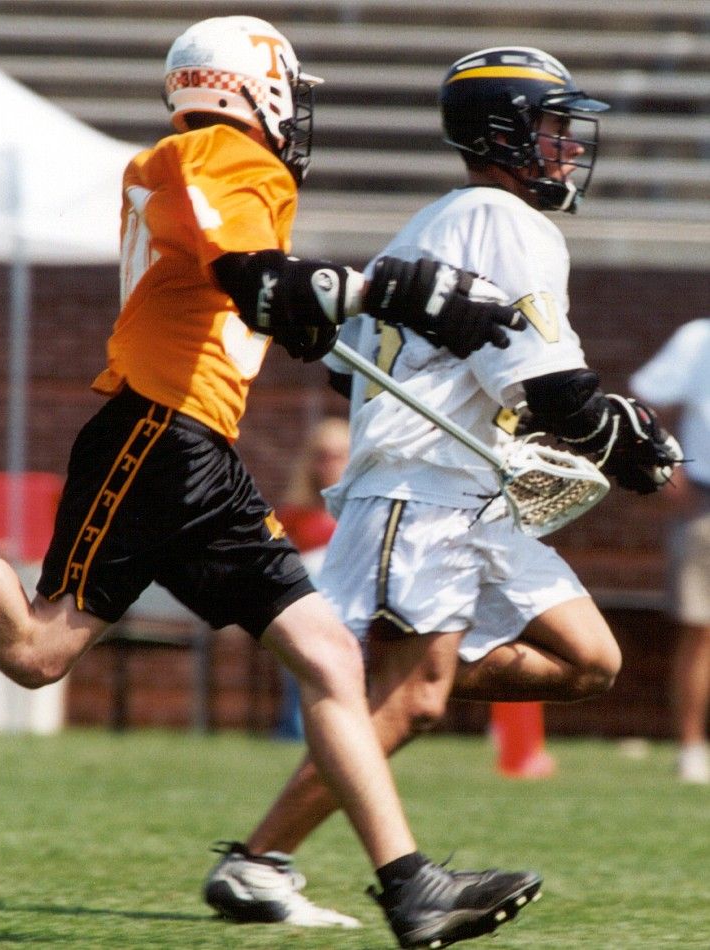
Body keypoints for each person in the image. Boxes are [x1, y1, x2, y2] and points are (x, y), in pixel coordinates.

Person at [0, 17, 538, 950]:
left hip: (194, 443)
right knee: (37, 646)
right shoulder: (223, 155)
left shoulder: (194, 161)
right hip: (159, 430)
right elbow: (261, 282)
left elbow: (258, 300)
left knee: (325, 655)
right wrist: (401, 291)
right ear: (254, 88)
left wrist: (337, 310)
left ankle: (410, 887)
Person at [202, 44, 684, 931]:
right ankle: (258, 861)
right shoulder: (501, 219)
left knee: (589, 660)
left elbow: (356, 372)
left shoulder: (437, 222)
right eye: (552, 126)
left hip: (465, 494)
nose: (568, 146)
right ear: (500, 131)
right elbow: (548, 386)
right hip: (418, 490)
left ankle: (363, 693)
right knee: (414, 699)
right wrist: (620, 440)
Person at [630, 318, 710, 784]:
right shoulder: (699, 338)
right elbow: (644, 401)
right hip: (705, 504)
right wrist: (668, 466)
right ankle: (691, 748)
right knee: (701, 631)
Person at [274, 416, 350, 740]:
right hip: (305, 611)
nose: (329, 464)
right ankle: (299, 728)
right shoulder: (292, 516)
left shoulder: (360, 512)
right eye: (321, 456)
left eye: (339, 456)